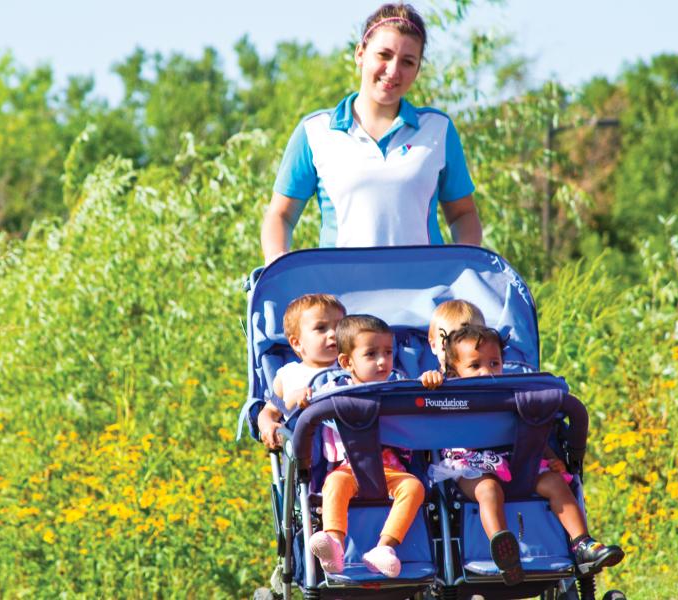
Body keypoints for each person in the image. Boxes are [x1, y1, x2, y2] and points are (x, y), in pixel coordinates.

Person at [260, 2, 482, 265]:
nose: (393, 70)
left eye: (408, 62)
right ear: (360, 54)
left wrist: (463, 268)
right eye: (384, 55)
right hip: (342, 299)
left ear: (418, 69)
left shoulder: (438, 129)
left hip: (426, 297)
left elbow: (463, 214)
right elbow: (280, 215)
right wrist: (277, 263)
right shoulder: (315, 131)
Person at [423, 324, 624, 586]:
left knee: (555, 482)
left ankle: (583, 544)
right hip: (471, 466)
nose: (487, 371)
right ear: (453, 371)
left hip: (518, 464)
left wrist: (552, 456)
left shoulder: (515, 393)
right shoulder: (450, 391)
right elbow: (427, 397)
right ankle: (504, 549)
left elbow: (534, 430)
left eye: (494, 362)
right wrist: (433, 381)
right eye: (475, 365)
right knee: (488, 491)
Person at [308, 315, 426, 578]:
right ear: (347, 362)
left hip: (391, 471)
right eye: (371, 354)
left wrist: (429, 381)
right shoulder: (332, 391)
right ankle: (334, 543)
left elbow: (422, 401)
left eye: (387, 352)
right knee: (335, 483)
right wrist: (303, 400)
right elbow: (307, 409)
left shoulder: (399, 389)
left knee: (414, 487)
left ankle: (384, 548)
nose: (383, 361)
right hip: (349, 469)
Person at [257, 294, 346, 449]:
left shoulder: (350, 367)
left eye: (340, 327)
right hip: (310, 455)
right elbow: (270, 409)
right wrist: (268, 425)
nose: (333, 334)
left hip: (355, 446)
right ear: (297, 343)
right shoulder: (289, 375)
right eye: (320, 328)